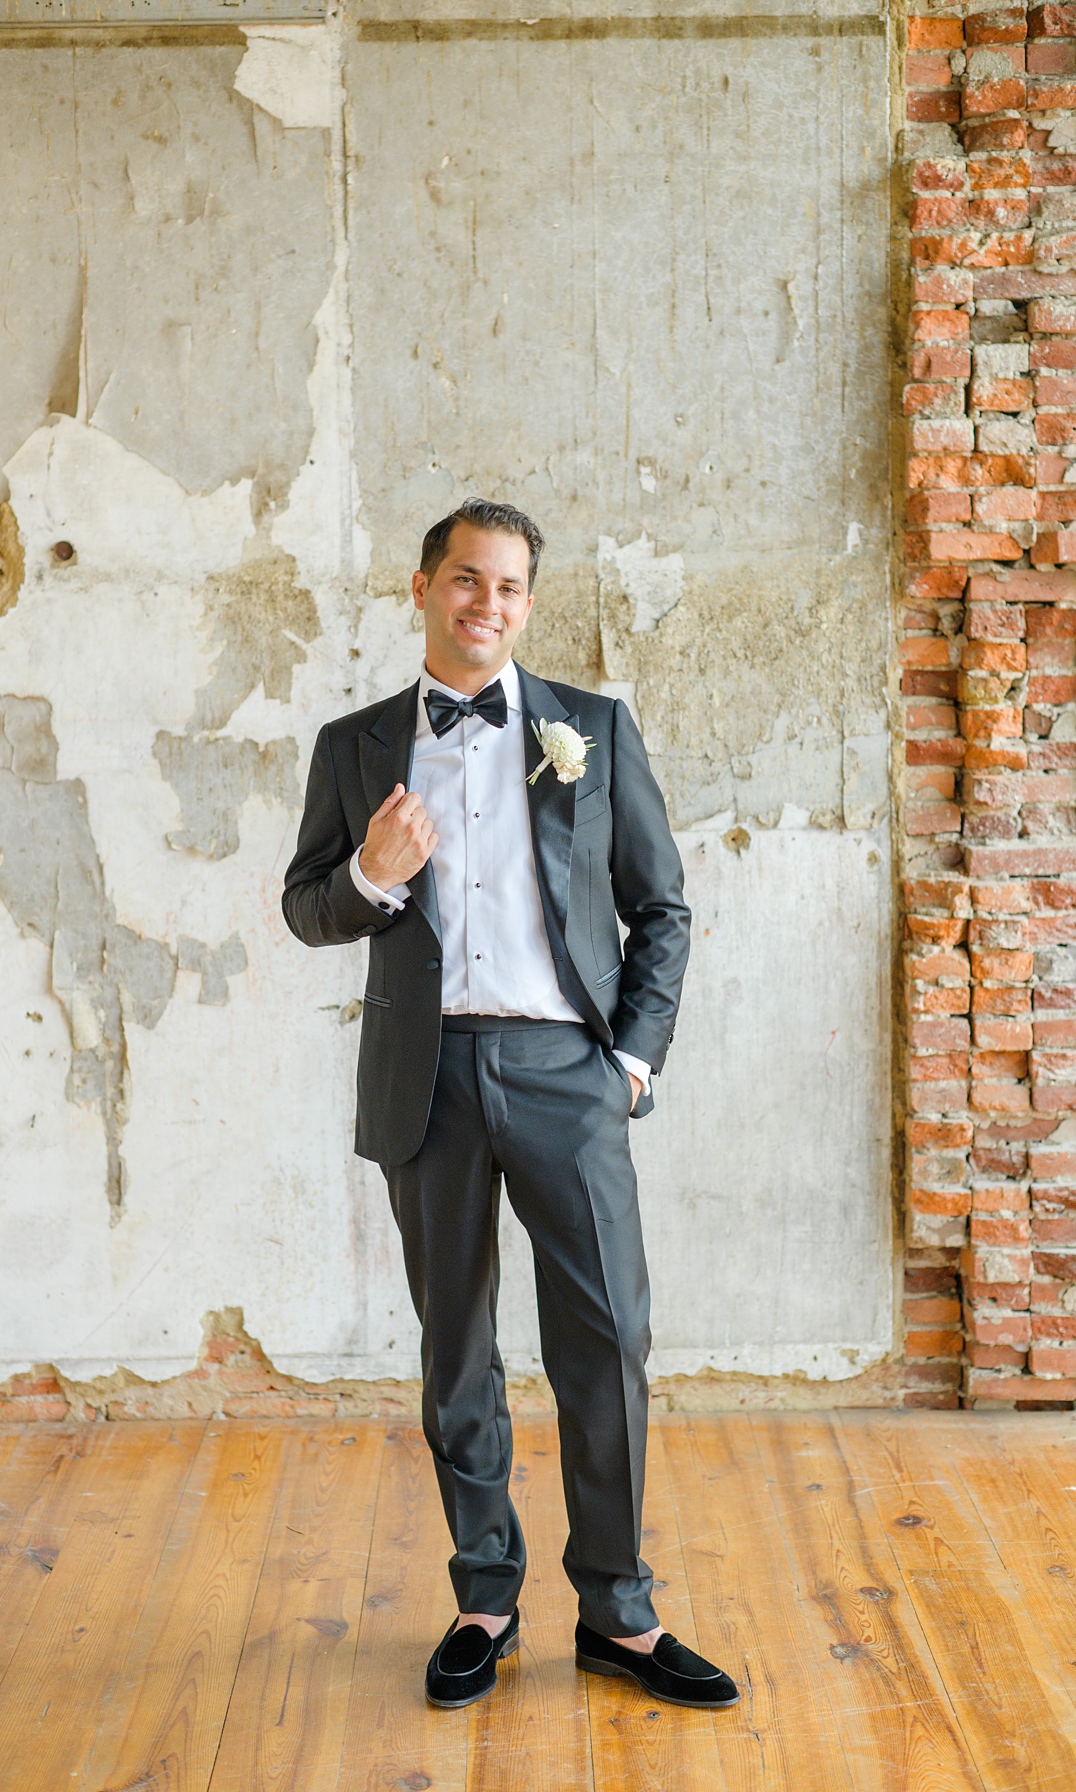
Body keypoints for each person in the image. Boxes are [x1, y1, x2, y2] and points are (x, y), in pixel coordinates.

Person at [280, 498, 737, 1712]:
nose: (489, 603)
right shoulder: (355, 746)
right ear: (423, 588)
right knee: (457, 1350)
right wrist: (373, 876)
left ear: (529, 602)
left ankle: (620, 1614)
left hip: (562, 1075)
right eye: (468, 579)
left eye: (512, 586)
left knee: (610, 1340)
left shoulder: (589, 728)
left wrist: (630, 1060)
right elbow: (306, 904)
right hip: (424, 1080)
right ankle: (485, 1593)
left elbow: (664, 909)